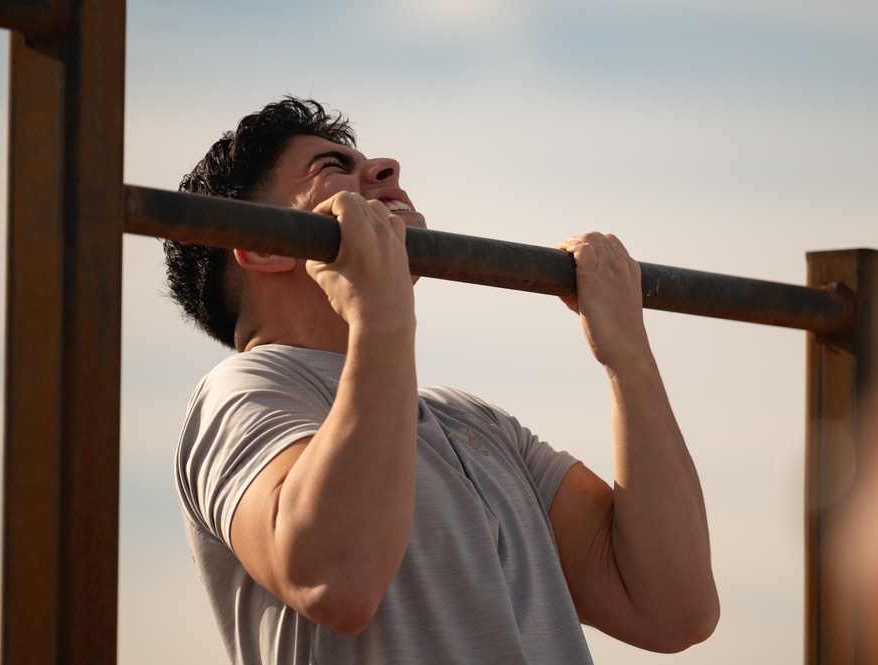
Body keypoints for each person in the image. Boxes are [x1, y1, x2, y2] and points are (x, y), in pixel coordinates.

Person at [166, 97, 719, 664]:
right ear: (263, 244)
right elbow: (337, 580)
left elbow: (676, 610)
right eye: (332, 167)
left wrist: (626, 351)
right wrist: (380, 316)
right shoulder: (238, 392)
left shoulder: (473, 424)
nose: (385, 169)